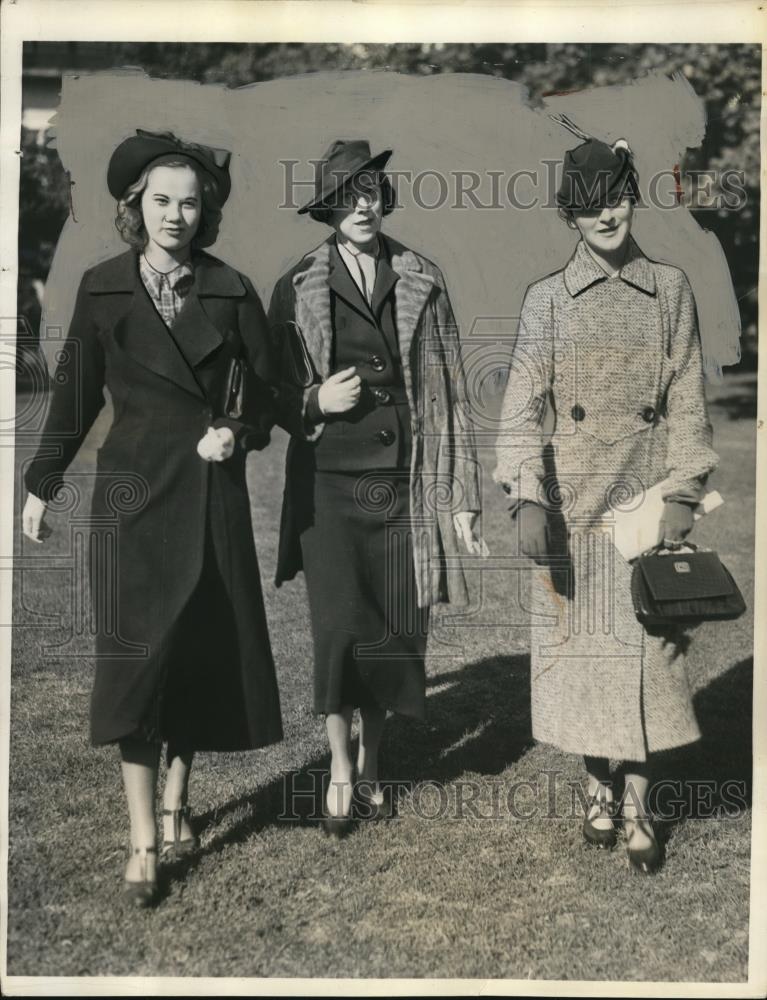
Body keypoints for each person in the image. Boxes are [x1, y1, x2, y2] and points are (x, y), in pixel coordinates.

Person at [21, 129, 283, 905]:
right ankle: (143, 840)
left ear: (206, 213)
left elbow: (262, 392)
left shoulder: (232, 290)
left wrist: (235, 429)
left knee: (196, 657)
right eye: (161, 201)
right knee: (133, 666)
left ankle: (176, 803)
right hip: (131, 505)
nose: (176, 215)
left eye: (190, 203)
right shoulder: (102, 288)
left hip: (210, 502)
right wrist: (41, 482)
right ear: (135, 207)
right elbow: (73, 395)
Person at [494, 133, 718, 874]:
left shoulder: (671, 289)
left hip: (648, 497)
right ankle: (596, 780)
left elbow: (687, 398)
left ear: (631, 197)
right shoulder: (546, 299)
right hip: (573, 504)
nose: (605, 213)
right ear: (569, 214)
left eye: (616, 196)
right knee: (587, 650)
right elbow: (522, 409)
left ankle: (640, 804)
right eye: (588, 203)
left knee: (651, 649)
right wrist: (527, 498)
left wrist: (684, 489)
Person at [269, 139, 482, 836]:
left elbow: (450, 390)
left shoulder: (421, 274)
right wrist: (310, 401)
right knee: (338, 632)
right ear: (329, 205)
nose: (361, 204)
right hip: (328, 487)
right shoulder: (297, 282)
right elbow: (269, 391)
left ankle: (372, 765)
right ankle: (336, 767)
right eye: (347, 193)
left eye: (371, 192)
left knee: (392, 633)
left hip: (404, 485)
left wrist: (460, 497)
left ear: (382, 199)